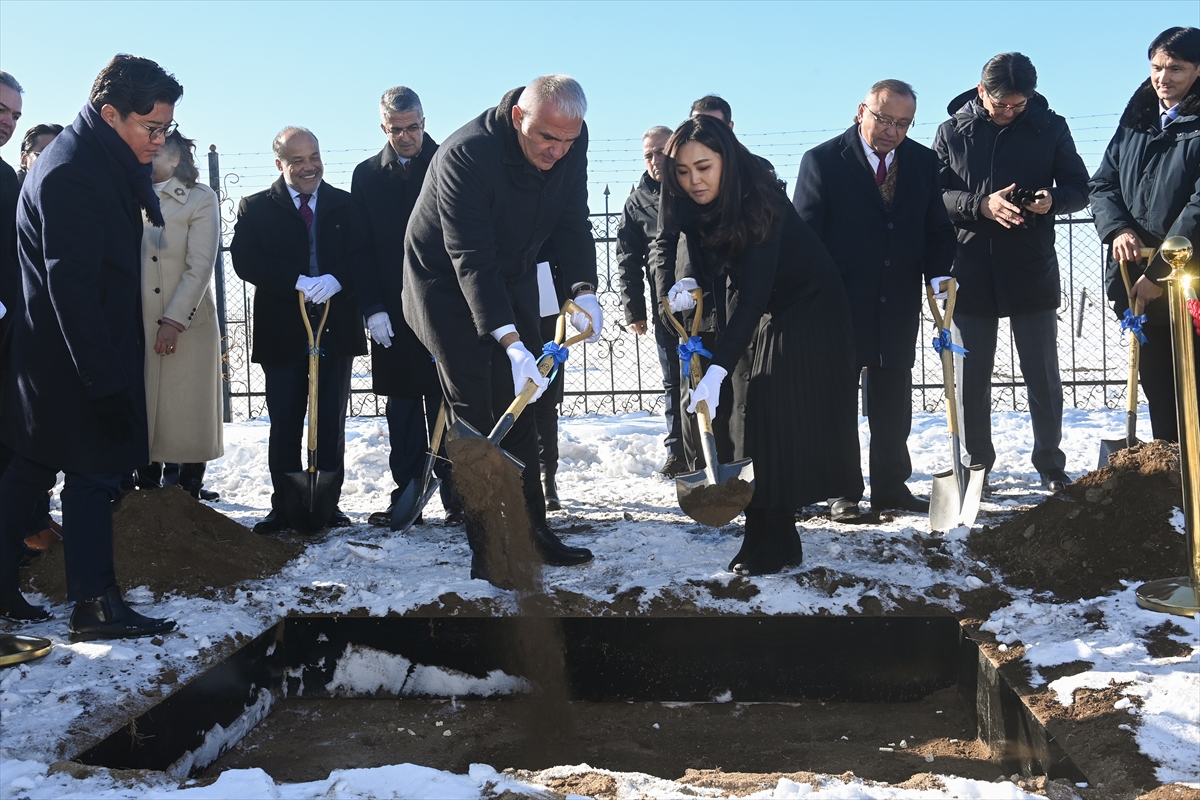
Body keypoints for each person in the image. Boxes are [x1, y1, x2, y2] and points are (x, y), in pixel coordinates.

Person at [0, 54, 180, 641]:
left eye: (165, 129)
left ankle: (11, 591)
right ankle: (95, 605)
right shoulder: (74, 170)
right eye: (150, 128)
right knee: (93, 472)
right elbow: (70, 286)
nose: (159, 140)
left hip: (60, 353)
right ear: (110, 113)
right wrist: (104, 383)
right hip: (71, 357)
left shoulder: (100, 158)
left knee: (30, 470)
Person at [402, 75, 603, 584]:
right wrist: (510, 341)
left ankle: (534, 532)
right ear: (519, 117)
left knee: (527, 400)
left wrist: (582, 288)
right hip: (445, 283)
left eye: (567, 141)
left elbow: (572, 219)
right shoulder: (465, 155)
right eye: (546, 139)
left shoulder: (568, 138)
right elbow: (471, 258)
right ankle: (488, 548)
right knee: (476, 412)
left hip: (512, 270)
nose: (557, 151)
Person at [660, 115, 862, 575]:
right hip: (766, 303)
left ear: (726, 161)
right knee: (745, 411)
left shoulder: (758, 199)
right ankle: (760, 533)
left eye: (704, 167)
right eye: (683, 171)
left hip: (808, 306)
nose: (694, 180)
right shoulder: (690, 198)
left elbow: (752, 296)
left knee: (773, 410)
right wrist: (685, 281)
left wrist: (715, 371)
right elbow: (689, 245)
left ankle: (780, 539)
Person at [793, 79, 957, 519]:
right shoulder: (823, 162)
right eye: (884, 119)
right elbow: (805, 238)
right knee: (838, 402)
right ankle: (841, 490)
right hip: (839, 304)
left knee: (892, 402)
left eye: (903, 124)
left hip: (897, 300)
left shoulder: (923, 163)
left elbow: (938, 229)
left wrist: (940, 273)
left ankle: (891, 487)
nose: (892, 131)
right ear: (860, 111)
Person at [933, 53, 1089, 492]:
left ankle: (1050, 463)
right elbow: (933, 196)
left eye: (1018, 105)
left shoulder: (1051, 127)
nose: (1008, 113)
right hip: (969, 267)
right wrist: (979, 205)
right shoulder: (951, 132)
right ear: (982, 92)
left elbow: (1080, 187)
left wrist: (1051, 200)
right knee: (972, 378)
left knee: (1043, 374)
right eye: (1001, 104)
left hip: (1030, 266)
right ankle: (976, 464)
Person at [230, 127, 367, 533]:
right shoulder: (256, 207)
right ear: (280, 165)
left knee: (329, 420)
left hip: (334, 325)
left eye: (314, 157)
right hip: (284, 329)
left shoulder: (345, 205)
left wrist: (338, 280)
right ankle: (285, 506)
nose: (309, 167)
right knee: (286, 419)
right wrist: (295, 280)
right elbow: (245, 260)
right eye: (298, 161)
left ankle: (327, 505)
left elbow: (363, 255)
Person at [352, 86, 461, 528]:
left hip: (442, 305)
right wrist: (371, 307)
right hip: (392, 310)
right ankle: (409, 490)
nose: (405, 136)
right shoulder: (367, 176)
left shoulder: (448, 163)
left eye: (412, 127)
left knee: (449, 404)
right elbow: (360, 248)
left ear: (424, 121)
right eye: (396, 130)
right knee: (401, 405)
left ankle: (459, 496)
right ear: (384, 127)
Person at [1090, 26, 1200, 443]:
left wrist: (1158, 273)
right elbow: (1102, 185)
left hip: (1189, 283)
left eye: (1176, 68)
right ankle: (1169, 475)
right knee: (1157, 380)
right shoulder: (1134, 123)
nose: (1163, 77)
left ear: (1197, 69)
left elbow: (1197, 208)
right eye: (1156, 66)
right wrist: (1117, 229)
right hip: (1134, 276)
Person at [136, 130, 223, 500]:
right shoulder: (128, 192)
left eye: (156, 155)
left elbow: (200, 266)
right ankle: (147, 491)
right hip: (138, 319)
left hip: (187, 324)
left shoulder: (200, 199)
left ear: (174, 160)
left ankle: (188, 494)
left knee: (186, 412)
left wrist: (173, 321)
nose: (147, 159)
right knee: (145, 410)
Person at [616, 125, 687, 478]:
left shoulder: (692, 185)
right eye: (648, 155)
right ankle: (678, 452)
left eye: (661, 152)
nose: (655, 160)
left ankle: (719, 446)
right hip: (665, 309)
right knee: (674, 380)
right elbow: (627, 258)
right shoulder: (636, 202)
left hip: (705, 303)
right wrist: (635, 309)